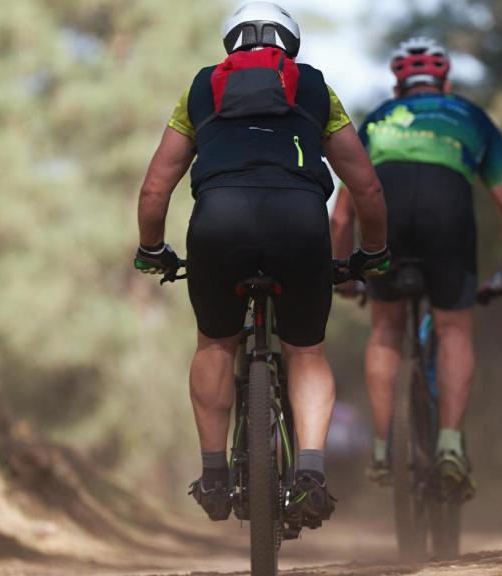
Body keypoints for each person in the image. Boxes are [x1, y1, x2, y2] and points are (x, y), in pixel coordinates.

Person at [133, 2, 389, 527]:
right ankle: (311, 475)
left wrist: (152, 247)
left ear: (229, 44)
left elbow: (157, 185)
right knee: (306, 351)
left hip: (218, 223)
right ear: (290, 44)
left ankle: (213, 476)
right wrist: (373, 251)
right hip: (299, 223)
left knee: (215, 343)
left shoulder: (200, 89)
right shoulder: (316, 88)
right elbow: (365, 184)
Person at [330, 37, 502, 499]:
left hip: (389, 221)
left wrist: (344, 273)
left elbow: (342, 215)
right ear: (446, 82)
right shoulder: (472, 118)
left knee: (384, 330)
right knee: (455, 329)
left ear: (398, 86)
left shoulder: (379, 119)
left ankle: (382, 449)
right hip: (449, 223)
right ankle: (449, 446)